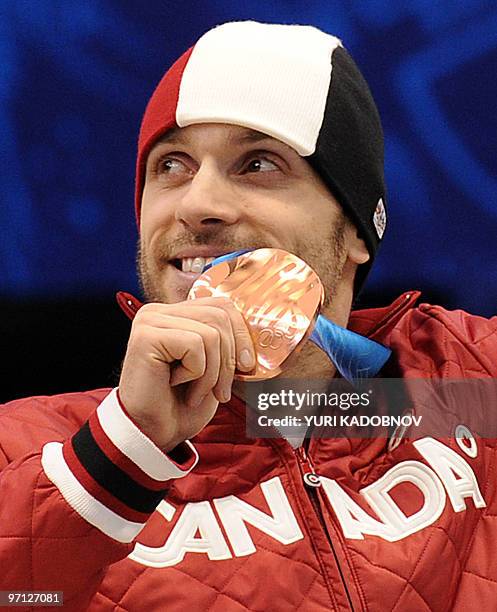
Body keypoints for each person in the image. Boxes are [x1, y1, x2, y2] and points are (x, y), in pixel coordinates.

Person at [1, 20, 496, 612]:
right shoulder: (29, 449)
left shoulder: (467, 382)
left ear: (356, 230)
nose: (198, 204)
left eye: (258, 165)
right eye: (172, 167)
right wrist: (124, 451)